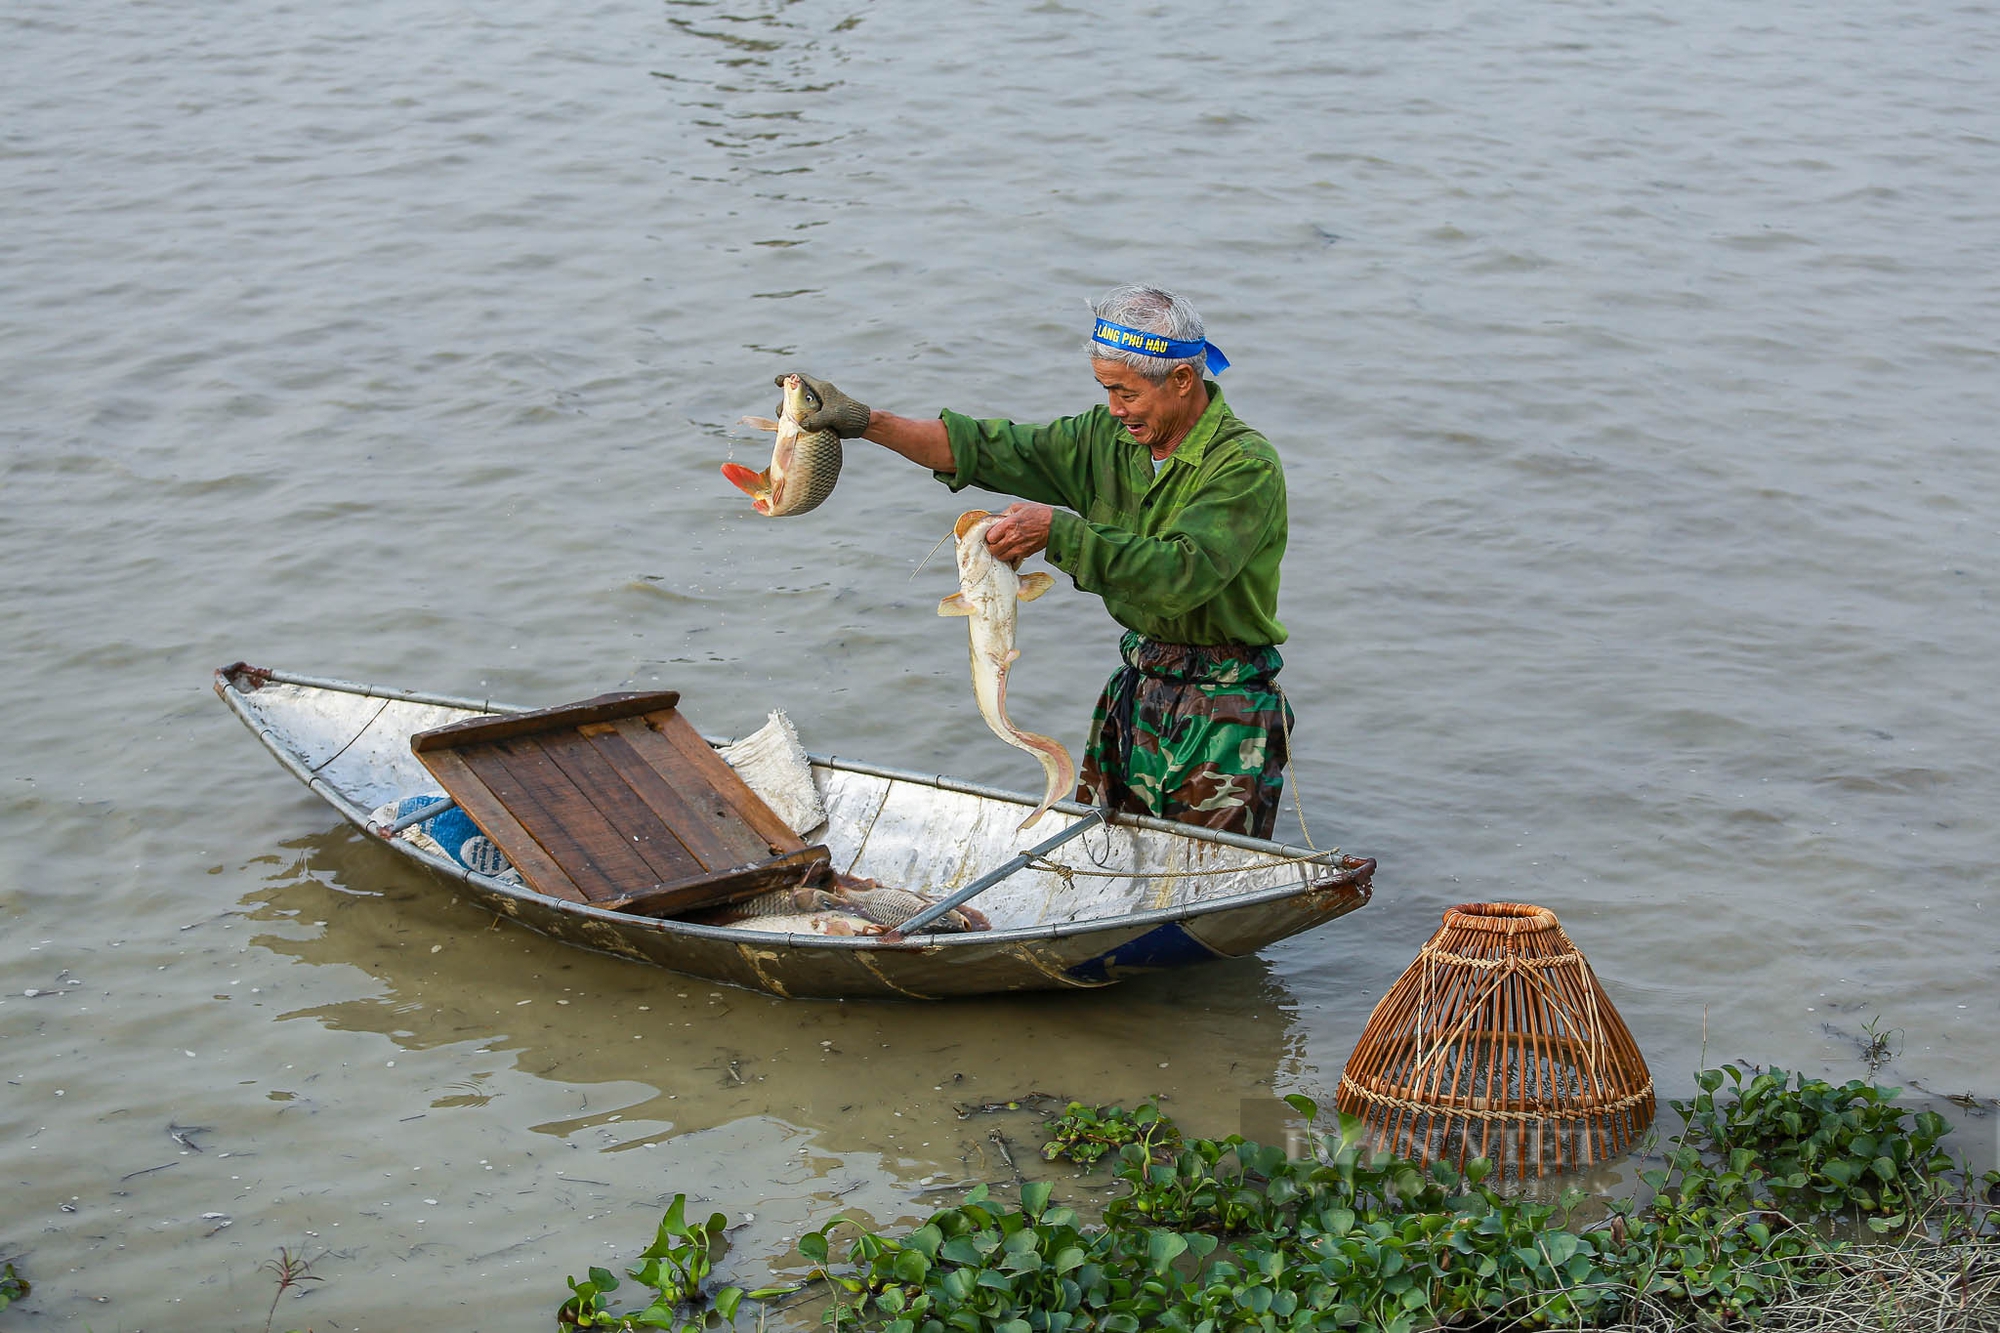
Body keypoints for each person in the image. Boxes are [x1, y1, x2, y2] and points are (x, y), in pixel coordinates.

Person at [784, 284, 1293, 839]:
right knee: (1106, 855)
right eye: (1105, 390)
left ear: (1182, 380)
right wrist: (865, 422)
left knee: (1204, 871)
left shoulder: (1245, 466)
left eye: (1126, 393)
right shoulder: (1105, 437)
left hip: (1226, 705)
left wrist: (1059, 532)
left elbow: (1178, 576)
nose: (1114, 410)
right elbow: (982, 448)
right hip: (1140, 684)